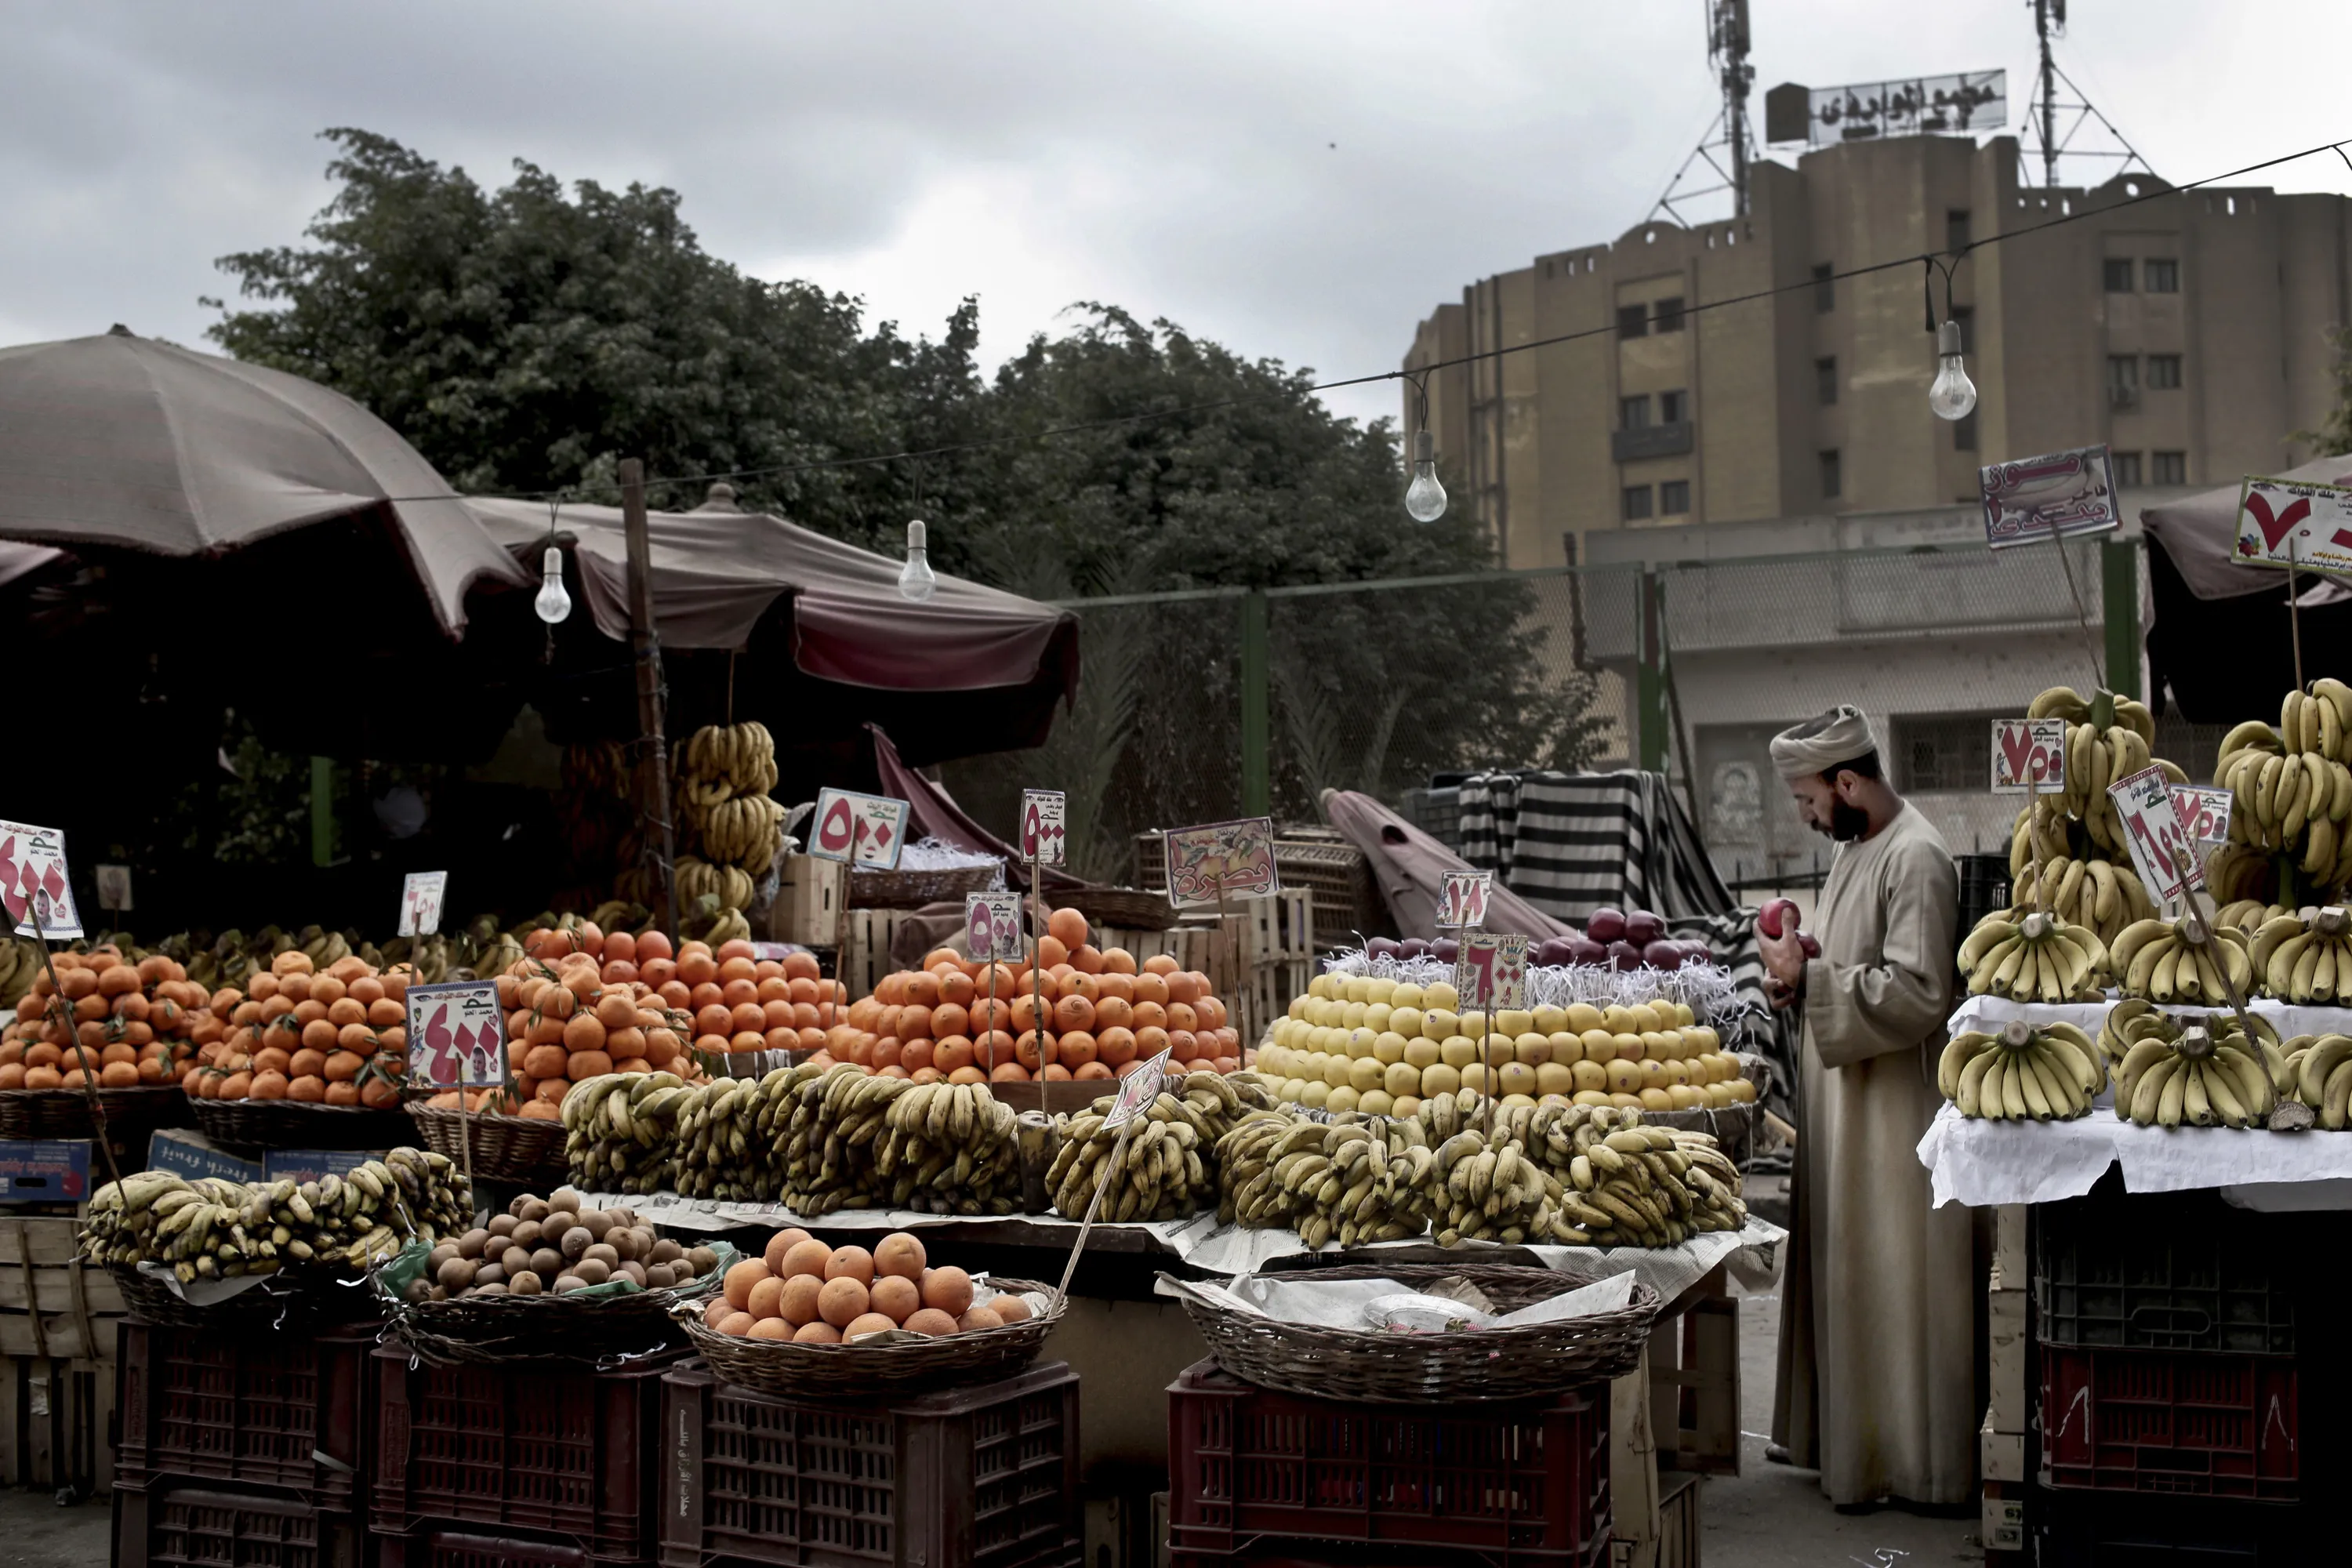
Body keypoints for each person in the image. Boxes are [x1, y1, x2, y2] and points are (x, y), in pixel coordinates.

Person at [1759, 706, 1974, 1510]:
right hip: (1847, 1102)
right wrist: (1796, 977)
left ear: (1847, 780)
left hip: (1889, 1117)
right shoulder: (1860, 846)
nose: (1805, 813)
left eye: (1808, 796)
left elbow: (1921, 991)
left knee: (1889, 1278)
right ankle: (1844, 1446)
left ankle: (1910, 1466)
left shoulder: (1916, 854)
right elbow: (1850, 965)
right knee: (1849, 1271)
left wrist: (1812, 980)